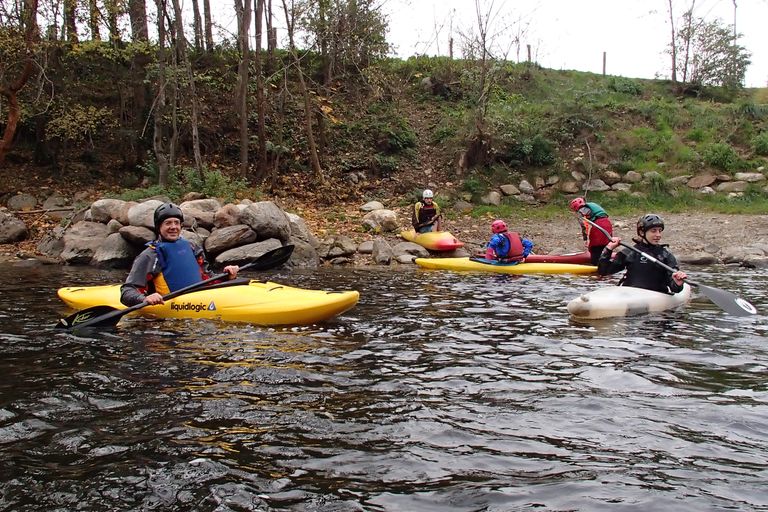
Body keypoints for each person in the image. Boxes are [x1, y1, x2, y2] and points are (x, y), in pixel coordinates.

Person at [120, 202, 239, 306]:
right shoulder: (150, 255)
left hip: (200, 301)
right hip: (167, 309)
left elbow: (207, 278)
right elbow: (127, 291)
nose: (173, 227)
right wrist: (144, 298)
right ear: (159, 227)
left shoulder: (191, 247)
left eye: (176, 223)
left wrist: (226, 276)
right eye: (168, 223)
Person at [597, 213, 688, 294]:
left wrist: (677, 283)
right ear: (641, 232)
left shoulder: (666, 256)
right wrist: (609, 249)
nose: (658, 235)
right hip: (630, 294)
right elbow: (603, 271)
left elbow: (675, 289)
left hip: (656, 297)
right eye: (653, 231)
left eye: (660, 231)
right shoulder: (629, 252)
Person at [569, 197, 613, 265]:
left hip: (599, 225)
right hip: (608, 224)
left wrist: (585, 239)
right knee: (606, 244)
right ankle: (606, 262)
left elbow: (583, 225)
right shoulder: (591, 205)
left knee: (595, 247)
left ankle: (596, 264)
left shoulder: (582, 210)